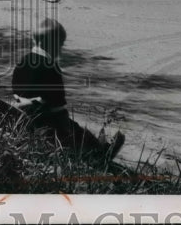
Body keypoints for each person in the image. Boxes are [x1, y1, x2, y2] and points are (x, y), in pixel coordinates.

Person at [12, 18, 124, 159]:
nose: (60, 50)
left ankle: (96, 147)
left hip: (25, 120)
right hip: (49, 127)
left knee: (77, 130)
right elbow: (57, 107)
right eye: (60, 45)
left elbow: (17, 93)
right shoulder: (50, 68)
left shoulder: (21, 63)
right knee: (82, 135)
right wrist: (70, 126)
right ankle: (100, 155)